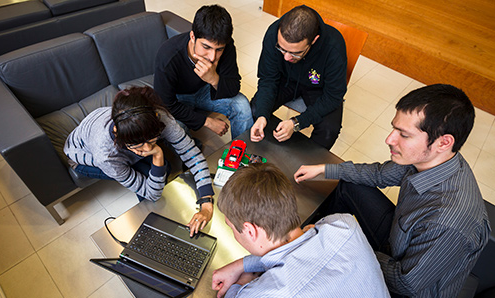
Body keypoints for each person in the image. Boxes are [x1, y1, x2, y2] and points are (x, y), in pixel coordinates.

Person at [294, 84, 491, 297]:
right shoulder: (430, 159)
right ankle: (313, 234)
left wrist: (344, 243)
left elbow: (405, 283)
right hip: (396, 242)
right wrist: (325, 169)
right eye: (394, 128)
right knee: (348, 185)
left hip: (405, 289)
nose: (389, 139)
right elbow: (378, 175)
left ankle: (317, 243)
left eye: (404, 135)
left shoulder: (448, 222)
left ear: (443, 142)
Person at [212, 163, 390, 298]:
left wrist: (241, 284)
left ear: (250, 231)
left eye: (231, 227)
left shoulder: (261, 294)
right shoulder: (345, 225)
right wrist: (243, 264)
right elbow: (303, 242)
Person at [64, 86, 213, 236]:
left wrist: (206, 203)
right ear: (118, 134)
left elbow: (193, 155)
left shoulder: (159, 116)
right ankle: (155, 231)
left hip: (100, 127)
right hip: (82, 156)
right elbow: (151, 194)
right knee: (152, 174)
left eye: (151, 140)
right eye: (138, 145)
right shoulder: (106, 155)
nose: (147, 148)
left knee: (178, 136)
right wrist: (158, 154)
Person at [250, 5, 347, 150]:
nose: (287, 57)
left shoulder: (334, 46)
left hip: (317, 87)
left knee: (329, 130)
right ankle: (265, 152)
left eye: (295, 53)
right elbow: (268, 79)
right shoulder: (273, 34)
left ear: (314, 40)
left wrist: (297, 123)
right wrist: (262, 115)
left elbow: (334, 96)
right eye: (282, 49)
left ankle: (306, 165)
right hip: (285, 79)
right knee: (255, 109)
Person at [154, 4, 253, 140]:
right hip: (179, 98)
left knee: (241, 104)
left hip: (205, 91)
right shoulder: (168, 55)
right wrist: (207, 121)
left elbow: (234, 87)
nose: (212, 57)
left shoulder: (227, 47)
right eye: (206, 47)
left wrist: (214, 79)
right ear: (193, 36)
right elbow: (165, 104)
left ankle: (240, 153)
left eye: (219, 50)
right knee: (177, 129)